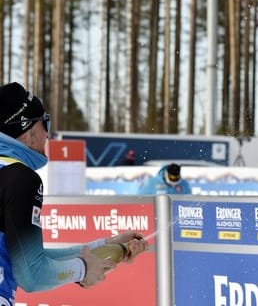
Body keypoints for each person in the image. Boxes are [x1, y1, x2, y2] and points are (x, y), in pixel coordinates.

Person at [0, 82, 148, 305]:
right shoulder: (19, 178)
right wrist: (83, 270)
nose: (48, 133)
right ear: (27, 130)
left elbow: (27, 257)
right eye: (45, 122)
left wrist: (104, 245)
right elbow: (31, 275)